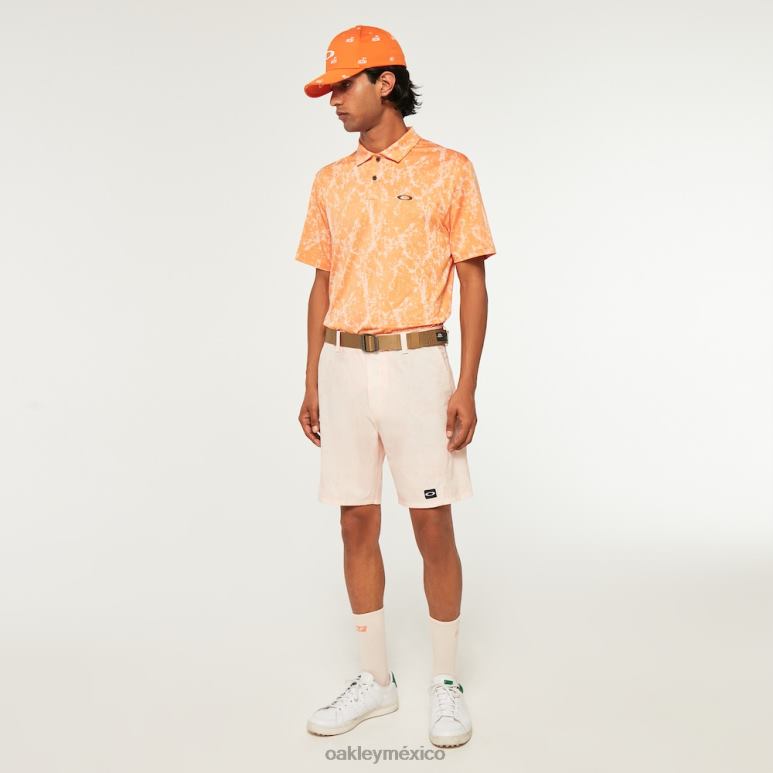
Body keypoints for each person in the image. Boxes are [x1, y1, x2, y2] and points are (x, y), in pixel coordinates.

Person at [294, 24, 496, 749]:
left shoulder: (449, 169)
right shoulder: (330, 180)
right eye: (328, 90)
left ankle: (445, 681)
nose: (333, 101)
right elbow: (322, 283)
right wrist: (312, 378)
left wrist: (465, 384)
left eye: (343, 86)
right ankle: (375, 679)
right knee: (355, 518)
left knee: (431, 521)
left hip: (417, 365)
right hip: (344, 365)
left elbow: (473, 282)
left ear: (385, 82)